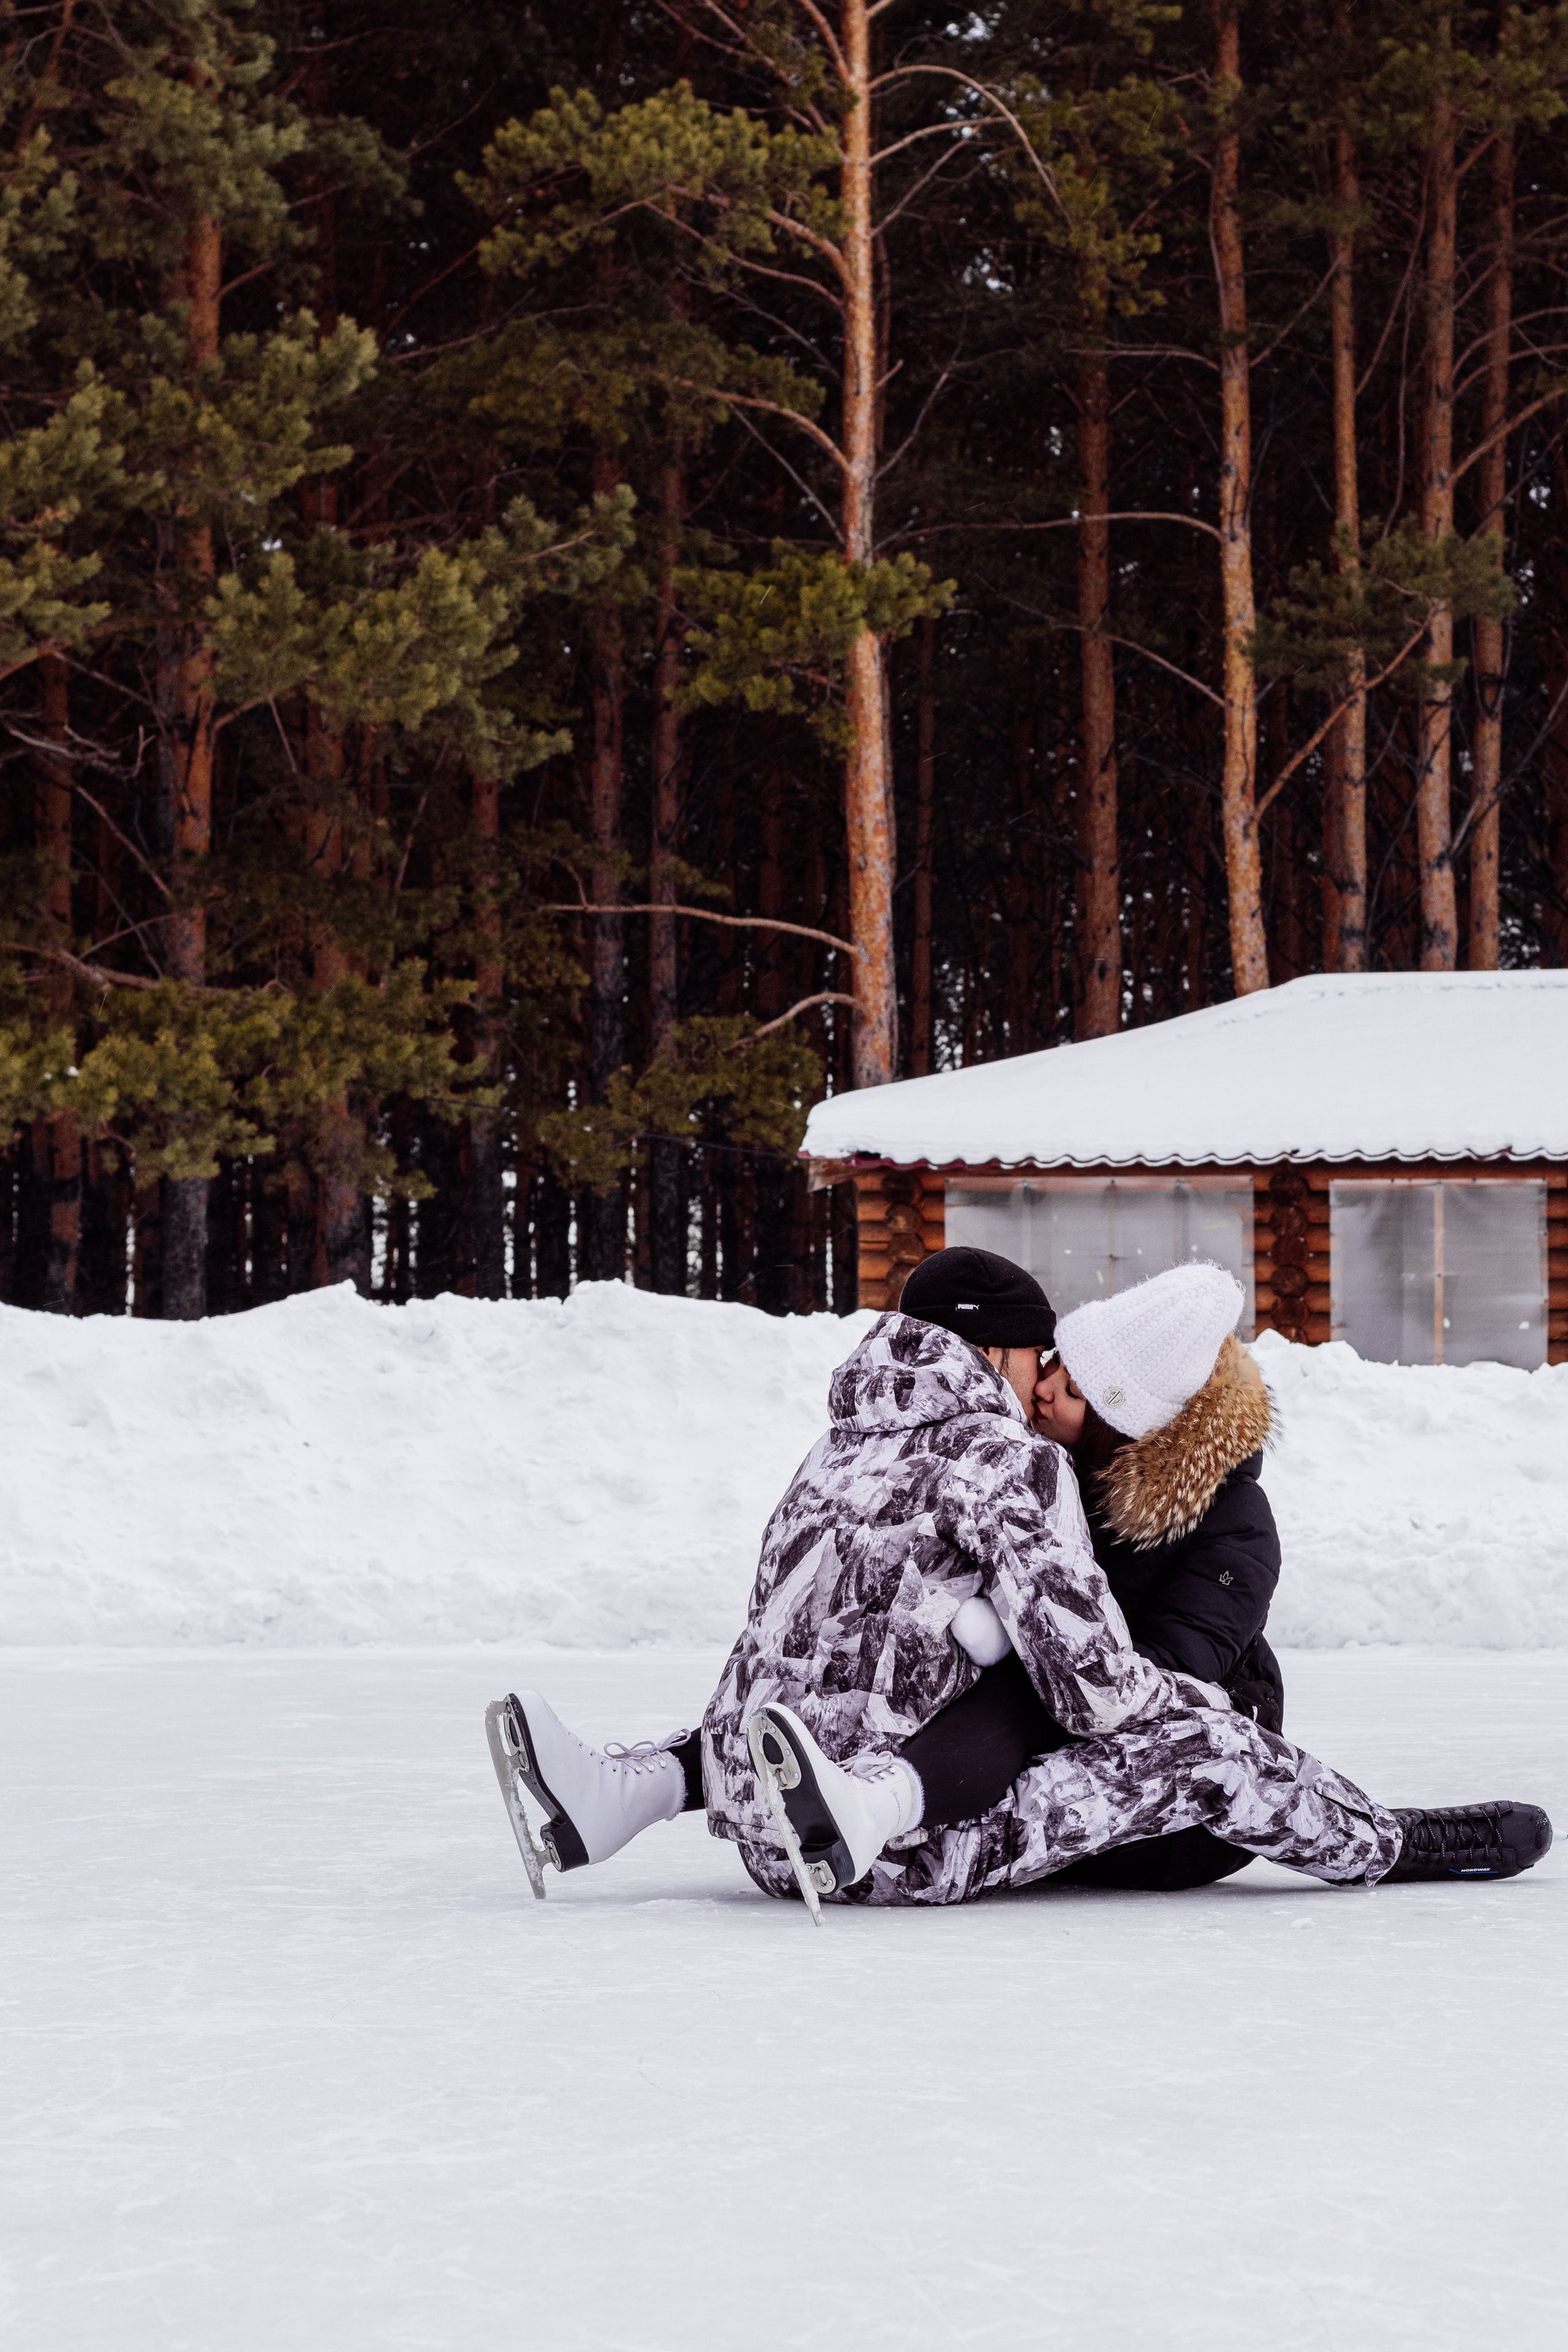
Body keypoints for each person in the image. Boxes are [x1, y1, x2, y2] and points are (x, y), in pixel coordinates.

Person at [487, 1249, 1551, 1909]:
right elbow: (1095, 1699)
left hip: (777, 1830)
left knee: (1183, 1711)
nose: (1044, 1385)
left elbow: (774, 1661)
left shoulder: (840, 1450)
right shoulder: (1014, 1461)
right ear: (995, 1355)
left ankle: (631, 1790)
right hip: (892, 1841)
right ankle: (1393, 1842)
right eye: (1043, 1359)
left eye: (1069, 1376)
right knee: (1206, 1744)